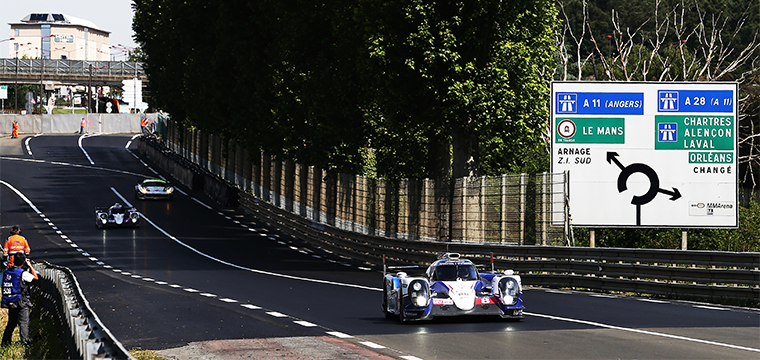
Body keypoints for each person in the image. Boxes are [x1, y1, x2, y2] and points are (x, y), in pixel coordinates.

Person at [1, 253, 37, 346]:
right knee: (24, 322)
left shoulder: (7, 272)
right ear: (24, 261)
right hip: (21, 301)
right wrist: (30, 266)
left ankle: (5, 343)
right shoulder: (22, 273)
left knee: (11, 322)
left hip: (10, 300)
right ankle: (24, 342)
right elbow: (35, 277)